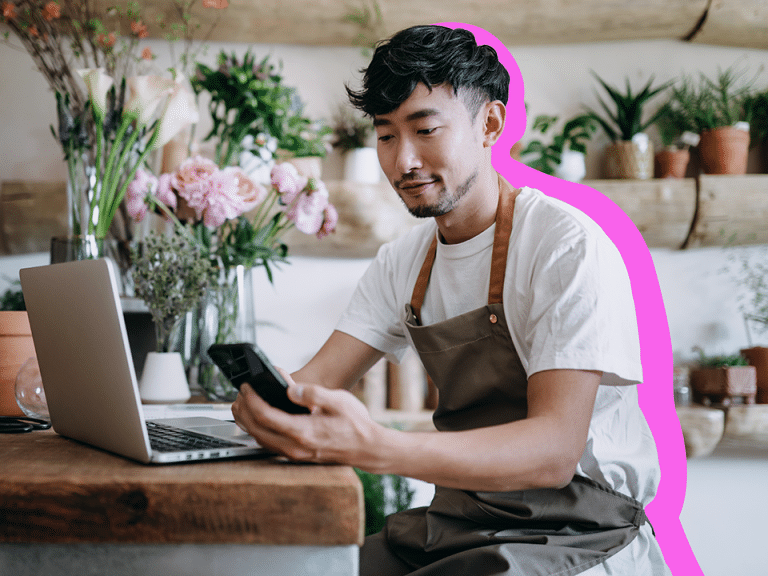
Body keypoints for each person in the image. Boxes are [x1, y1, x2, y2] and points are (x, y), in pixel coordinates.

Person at [232, 24, 671, 576]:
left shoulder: (565, 245)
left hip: (577, 532)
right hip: (461, 520)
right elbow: (311, 384)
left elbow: (554, 451)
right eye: (387, 135)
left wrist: (372, 446)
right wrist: (257, 409)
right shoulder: (404, 261)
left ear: (489, 124)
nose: (403, 161)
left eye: (425, 130)